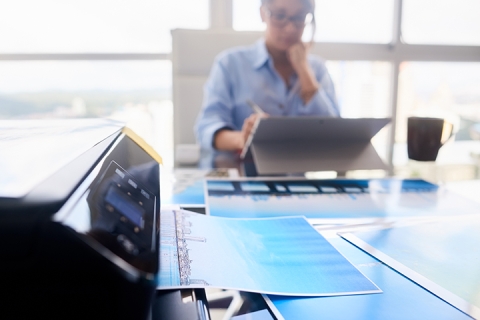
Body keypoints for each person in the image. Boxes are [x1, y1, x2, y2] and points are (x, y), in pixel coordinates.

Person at [194, 0, 340, 152]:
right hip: (242, 171)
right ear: (263, 13)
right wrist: (243, 138)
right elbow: (206, 127)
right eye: (280, 15)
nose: (290, 28)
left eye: (299, 17)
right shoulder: (230, 63)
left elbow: (337, 134)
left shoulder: (317, 69)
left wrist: (304, 71)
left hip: (300, 173)